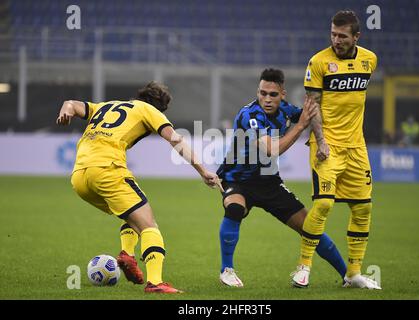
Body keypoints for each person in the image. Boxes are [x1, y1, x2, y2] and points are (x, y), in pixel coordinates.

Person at [56, 81, 222, 294]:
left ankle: (127, 254)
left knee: (132, 215)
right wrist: (202, 170)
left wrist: (66, 112)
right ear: (159, 107)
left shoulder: (106, 105)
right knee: (149, 226)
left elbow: (70, 103)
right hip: (107, 169)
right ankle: (155, 282)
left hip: (79, 177)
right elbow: (176, 139)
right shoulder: (149, 110)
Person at [216, 68, 347, 287]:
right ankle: (226, 271)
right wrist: (302, 125)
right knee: (235, 209)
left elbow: (313, 114)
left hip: (269, 182)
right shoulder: (250, 115)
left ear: (282, 95)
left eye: (272, 94)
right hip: (236, 179)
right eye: (262, 93)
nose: (266, 99)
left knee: (309, 227)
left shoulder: (286, 110)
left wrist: (321, 133)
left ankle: (347, 276)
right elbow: (271, 150)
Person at [292, 10, 381, 289]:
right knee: (324, 203)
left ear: (356, 36)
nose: (336, 40)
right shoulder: (318, 62)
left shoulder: (369, 60)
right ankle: (303, 267)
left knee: (363, 208)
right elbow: (312, 104)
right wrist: (322, 140)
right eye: (333, 34)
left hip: (356, 146)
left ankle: (353, 274)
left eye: (342, 36)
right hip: (326, 143)